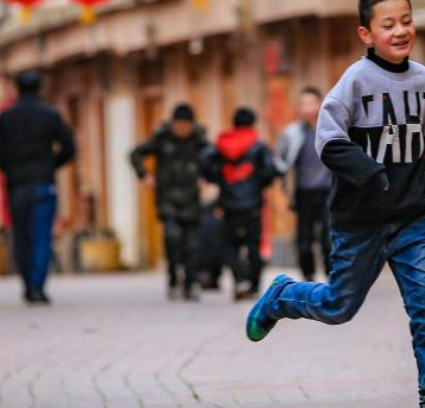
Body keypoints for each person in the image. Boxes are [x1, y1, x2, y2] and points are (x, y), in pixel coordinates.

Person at [245, 0, 425, 408]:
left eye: (406, 21)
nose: (401, 30)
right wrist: (369, 171)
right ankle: (284, 296)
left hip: (410, 218)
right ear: (367, 33)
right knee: (338, 306)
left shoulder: (423, 80)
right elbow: (328, 141)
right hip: (359, 221)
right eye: (389, 25)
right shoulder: (354, 82)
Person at [0, 70, 76, 305]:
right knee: (42, 235)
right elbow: (69, 147)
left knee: (21, 236)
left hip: (17, 185)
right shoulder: (49, 114)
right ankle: (38, 286)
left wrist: (9, 169)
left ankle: (27, 283)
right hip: (43, 183)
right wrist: (51, 165)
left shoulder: (7, 116)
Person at [130, 103, 210, 301]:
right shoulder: (161, 138)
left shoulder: (199, 140)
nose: (183, 129)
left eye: (186, 125)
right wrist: (144, 176)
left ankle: (191, 283)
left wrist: (207, 176)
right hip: (167, 197)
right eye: (179, 125)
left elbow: (213, 159)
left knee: (192, 244)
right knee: (172, 238)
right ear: (173, 124)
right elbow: (135, 154)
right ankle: (174, 278)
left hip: (191, 197)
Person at [201, 107, 276, 301]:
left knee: (229, 245)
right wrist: (259, 184)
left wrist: (218, 178)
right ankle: (253, 285)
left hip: (228, 204)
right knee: (253, 246)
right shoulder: (258, 146)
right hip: (253, 204)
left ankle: (240, 279)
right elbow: (269, 171)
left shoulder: (220, 145)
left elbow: (204, 163)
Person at [276, 87, 333, 281]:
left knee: (328, 236)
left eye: (311, 102)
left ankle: (330, 274)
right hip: (303, 192)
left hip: (329, 191)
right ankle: (308, 275)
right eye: (303, 104)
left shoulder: (331, 129)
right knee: (304, 238)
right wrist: (285, 179)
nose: (307, 108)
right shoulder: (292, 133)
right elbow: (281, 159)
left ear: (320, 104)